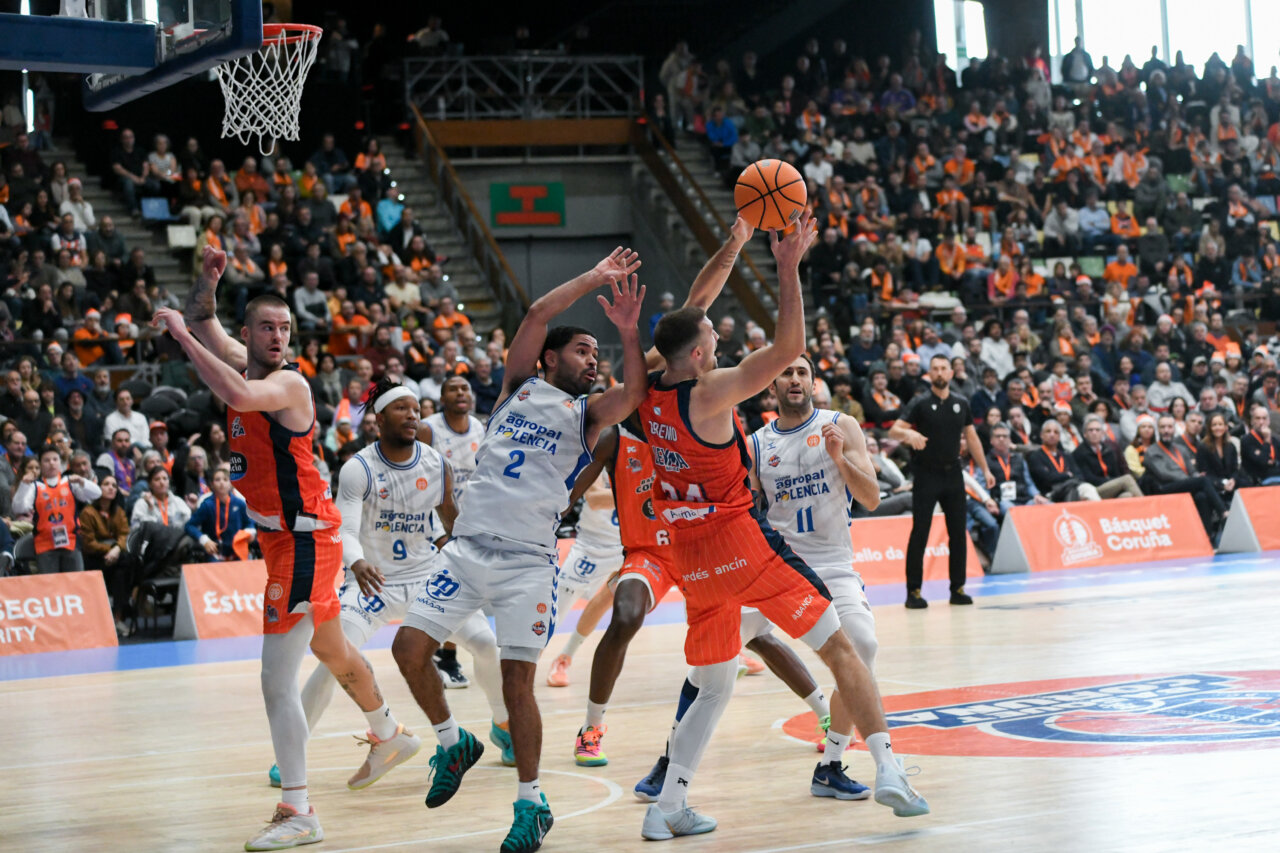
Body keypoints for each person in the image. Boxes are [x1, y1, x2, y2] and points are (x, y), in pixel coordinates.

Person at [636, 211, 927, 839]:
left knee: (712, 685)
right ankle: (889, 769)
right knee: (842, 648)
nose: (718, 342)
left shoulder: (647, 389)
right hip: (742, 546)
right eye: (712, 339)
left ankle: (668, 805)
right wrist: (787, 266)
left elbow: (691, 309)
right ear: (698, 355)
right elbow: (788, 345)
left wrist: (734, 243)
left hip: (692, 559)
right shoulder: (710, 392)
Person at [388, 247, 646, 853]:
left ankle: (532, 803)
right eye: (582, 350)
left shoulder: (589, 416)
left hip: (528, 563)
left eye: (597, 353)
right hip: (466, 551)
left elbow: (634, 391)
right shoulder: (516, 389)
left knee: (515, 684)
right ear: (550, 358)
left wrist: (630, 331)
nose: (593, 360)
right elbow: (534, 314)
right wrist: (594, 277)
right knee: (408, 649)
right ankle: (454, 743)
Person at [154, 246, 409, 851]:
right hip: (283, 538)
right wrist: (207, 284)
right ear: (248, 334)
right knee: (332, 648)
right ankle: (389, 732)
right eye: (267, 327)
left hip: (304, 542)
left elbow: (235, 393)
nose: (277, 336)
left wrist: (182, 339)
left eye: (285, 328)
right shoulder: (243, 362)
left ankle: (298, 808)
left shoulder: (287, 383)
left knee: (276, 679)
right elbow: (204, 319)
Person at [277, 378, 512, 790]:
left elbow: (452, 521)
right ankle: (292, 752)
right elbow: (346, 529)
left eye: (416, 409)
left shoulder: (436, 464)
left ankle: (503, 725)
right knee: (334, 660)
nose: (412, 415)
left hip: (427, 576)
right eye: (401, 408)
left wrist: (475, 558)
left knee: (486, 644)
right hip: (375, 580)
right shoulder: (359, 467)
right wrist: (357, 561)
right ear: (380, 417)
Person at [748, 354, 887, 799]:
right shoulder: (755, 444)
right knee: (710, 663)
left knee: (863, 646)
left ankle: (831, 764)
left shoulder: (841, 425)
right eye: (785, 373)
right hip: (778, 566)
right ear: (772, 386)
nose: (794, 379)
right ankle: (671, 766)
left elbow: (871, 498)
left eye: (802, 372)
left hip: (832, 564)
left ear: (813, 383)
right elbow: (749, 514)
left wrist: (839, 460)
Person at [889, 354, 993, 608]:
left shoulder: (961, 402)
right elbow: (894, 430)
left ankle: (958, 588)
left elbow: (972, 438)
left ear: (950, 373)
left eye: (943, 368)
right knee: (920, 532)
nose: (939, 372)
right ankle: (913, 592)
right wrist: (909, 434)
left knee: (958, 532)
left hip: (953, 473)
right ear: (929, 373)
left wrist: (985, 469)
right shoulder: (920, 402)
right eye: (934, 368)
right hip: (926, 474)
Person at [418, 375, 489, 688]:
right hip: (432, 523)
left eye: (465, 388)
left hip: (468, 523)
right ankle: (445, 656)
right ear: (441, 397)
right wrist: (438, 533)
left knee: (459, 591)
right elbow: (417, 481)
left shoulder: (479, 428)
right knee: (451, 589)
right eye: (453, 389)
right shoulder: (428, 429)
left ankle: (441, 652)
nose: (460, 392)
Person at [544, 464, 622, 694]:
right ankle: (521, 664)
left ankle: (564, 658)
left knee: (607, 598)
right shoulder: (602, 453)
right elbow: (595, 499)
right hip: (591, 546)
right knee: (553, 615)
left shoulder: (646, 456)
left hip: (627, 546)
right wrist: (641, 492)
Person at [13, 447, 102, 573]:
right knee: (50, 583)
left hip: (70, 541)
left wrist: (83, 482)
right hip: (45, 544)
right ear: (40, 464)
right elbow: (18, 508)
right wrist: (23, 485)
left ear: (60, 462)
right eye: (47, 460)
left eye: (55, 459)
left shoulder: (70, 482)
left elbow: (97, 494)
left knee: (75, 581)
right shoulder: (35, 486)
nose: (51, 463)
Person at [1145, 414, 1228, 534]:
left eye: (1169, 427)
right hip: (1164, 487)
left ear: (1174, 429)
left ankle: (1207, 536)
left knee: (1202, 496)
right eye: (1163, 427)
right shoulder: (1152, 451)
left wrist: (1195, 477)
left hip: (1184, 484)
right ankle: (1223, 512)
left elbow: (1192, 470)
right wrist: (1191, 480)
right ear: (1158, 429)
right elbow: (1164, 474)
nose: (1166, 431)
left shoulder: (1180, 449)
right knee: (1203, 481)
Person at [184, 467, 253, 561]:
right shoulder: (207, 505)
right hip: (214, 552)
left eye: (225, 479)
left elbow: (250, 523)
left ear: (231, 483)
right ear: (212, 484)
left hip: (237, 551)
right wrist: (204, 539)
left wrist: (250, 532)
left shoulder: (240, 503)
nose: (221, 483)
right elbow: (189, 526)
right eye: (217, 480)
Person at [1072, 415, 1144, 498]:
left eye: (1097, 430)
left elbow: (1116, 473)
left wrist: (1114, 482)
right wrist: (1112, 481)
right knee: (1127, 479)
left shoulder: (1108, 449)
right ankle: (1148, 505)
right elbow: (1088, 478)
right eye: (1090, 430)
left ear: (1102, 433)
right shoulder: (1079, 453)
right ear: (1085, 434)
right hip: (1093, 490)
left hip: (1111, 486)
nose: (1094, 433)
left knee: (1127, 496)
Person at [1241, 404, 1280, 485]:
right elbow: (1263, 461)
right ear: (1252, 421)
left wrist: (1273, 462)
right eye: (1258, 418)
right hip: (1259, 480)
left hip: (1276, 475)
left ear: (1269, 421)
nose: (1261, 422)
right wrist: (1267, 440)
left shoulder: (1275, 439)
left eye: (1264, 418)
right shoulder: (1246, 440)